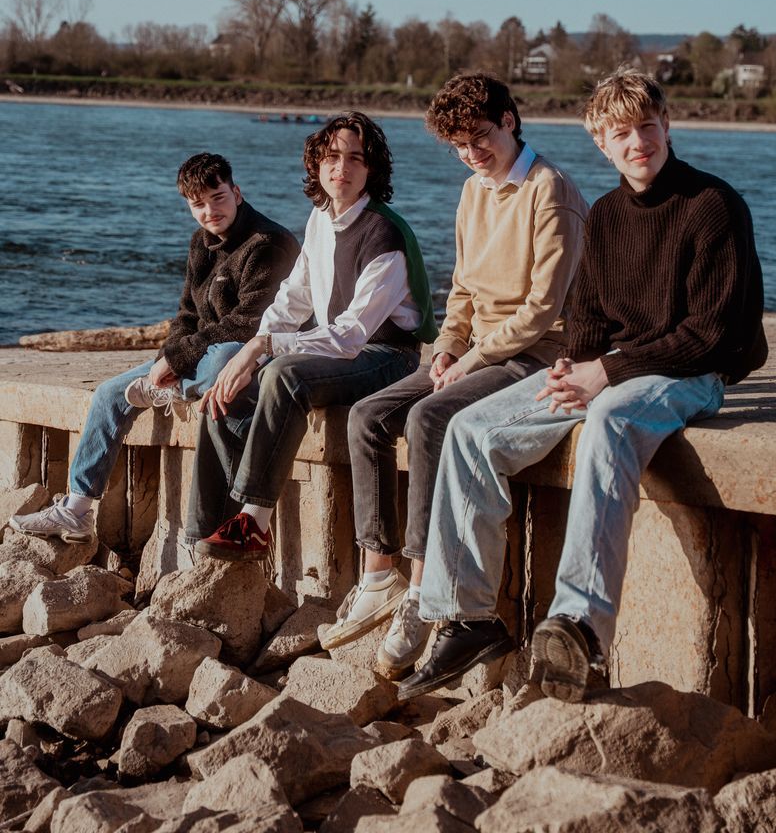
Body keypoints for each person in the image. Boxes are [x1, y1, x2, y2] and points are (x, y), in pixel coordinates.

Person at [397, 69, 768, 701]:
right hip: (616, 366)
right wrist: (575, 367)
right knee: (468, 429)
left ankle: (580, 626)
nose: (637, 144)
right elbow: (590, 323)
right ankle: (468, 616)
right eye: (620, 134)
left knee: (610, 420)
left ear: (667, 126)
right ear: (602, 142)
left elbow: (712, 333)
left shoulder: (712, 205)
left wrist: (606, 374)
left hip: (692, 372)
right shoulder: (604, 215)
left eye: (646, 128)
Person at [320, 74, 589, 680]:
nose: (471, 153)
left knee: (430, 416)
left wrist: (470, 361)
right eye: (459, 145)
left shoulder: (552, 192)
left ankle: (420, 589)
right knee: (367, 417)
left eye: (480, 138)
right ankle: (379, 574)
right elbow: (463, 288)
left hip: (534, 355)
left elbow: (543, 311)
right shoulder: (473, 190)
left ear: (511, 121)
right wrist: (445, 348)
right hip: (476, 352)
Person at [186, 111, 438, 561]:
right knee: (224, 389)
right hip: (342, 349)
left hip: (386, 355)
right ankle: (202, 532)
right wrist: (249, 351)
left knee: (282, 375)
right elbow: (293, 297)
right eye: (333, 157)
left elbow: (350, 337)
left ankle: (255, 524)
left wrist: (264, 348)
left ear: (371, 170)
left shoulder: (385, 235)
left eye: (356, 159)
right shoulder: (321, 216)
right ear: (316, 165)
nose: (342, 167)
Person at [11, 152, 300, 544]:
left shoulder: (269, 243)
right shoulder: (201, 243)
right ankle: (77, 509)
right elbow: (186, 315)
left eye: (218, 198)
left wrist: (180, 360)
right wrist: (170, 357)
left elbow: (249, 322)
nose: (209, 211)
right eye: (198, 204)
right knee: (109, 394)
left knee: (223, 361)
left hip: (257, 355)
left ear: (236, 192)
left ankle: (171, 387)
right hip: (202, 353)